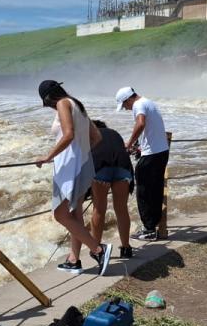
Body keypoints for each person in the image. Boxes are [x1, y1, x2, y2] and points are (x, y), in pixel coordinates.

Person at [37, 81, 111, 276]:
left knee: (60, 214)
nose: (50, 107)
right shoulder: (78, 105)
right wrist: (81, 155)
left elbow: (68, 135)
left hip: (69, 168)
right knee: (75, 214)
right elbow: (96, 138)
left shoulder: (62, 103)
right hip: (81, 165)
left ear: (48, 97)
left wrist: (48, 156)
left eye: (46, 103)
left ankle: (98, 250)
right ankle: (73, 260)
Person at [115, 86, 170, 241]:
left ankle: (148, 230)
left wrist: (128, 143)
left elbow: (140, 124)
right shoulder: (149, 102)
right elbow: (151, 131)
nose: (126, 109)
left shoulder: (138, 105)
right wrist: (139, 147)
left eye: (124, 105)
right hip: (161, 151)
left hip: (151, 155)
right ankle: (153, 225)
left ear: (128, 99)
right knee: (156, 190)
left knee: (144, 192)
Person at [89, 120, 135, 258]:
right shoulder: (115, 133)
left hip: (101, 169)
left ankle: (96, 249)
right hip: (123, 168)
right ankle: (126, 248)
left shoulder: (91, 135)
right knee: (121, 209)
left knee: (99, 210)